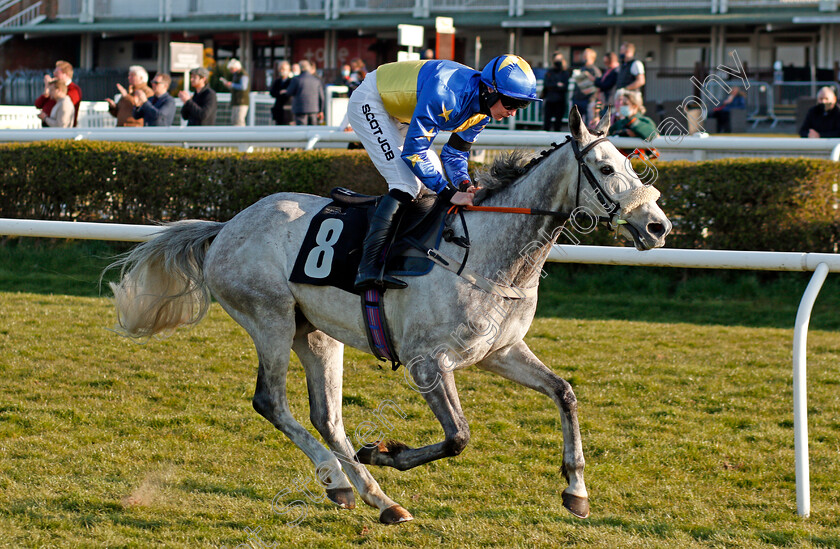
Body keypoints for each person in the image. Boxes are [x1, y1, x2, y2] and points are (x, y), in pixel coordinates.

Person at [347, 54, 541, 290]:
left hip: (402, 112)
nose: (513, 112)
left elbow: (454, 154)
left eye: (522, 106)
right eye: (511, 103)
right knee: (406, 183)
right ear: (490, 90)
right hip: (372, 101)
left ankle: (403, 251)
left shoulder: (482, 111)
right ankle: (367, 267)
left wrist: (463, 184)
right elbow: (414, 153)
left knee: (429, 184)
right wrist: (448, 193)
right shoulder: (446, 93)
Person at [35, 60, 82, 127]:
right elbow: (38, 104)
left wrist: (45, 118)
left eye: (57, 72)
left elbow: (64, 107)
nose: (54, 75)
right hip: (49, 126)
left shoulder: (74, 89)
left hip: (62, 129)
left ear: (66, 74)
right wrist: (47, 89)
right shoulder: (54, 88)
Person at [285, 59, 324, 126]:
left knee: (302, 132)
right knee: (313, 131)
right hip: (314, 110)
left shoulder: (296, 79)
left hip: (300, 110)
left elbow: (289, 92)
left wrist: (285, 91)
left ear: (300, 68)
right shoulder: (317, 80)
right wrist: (321, 110)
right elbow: (321, 97)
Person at [571, 48, 602, 125]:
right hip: (577, 99)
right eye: (583, 56)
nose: (584, 58)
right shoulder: (581, 69)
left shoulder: (595, 71)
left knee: (589, 124)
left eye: (586, 56)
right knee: (577, 123)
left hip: (588, 101)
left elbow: (598, 86)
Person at [542, 52, 570, 132]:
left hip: (560, 101)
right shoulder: (549, 72)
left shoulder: (565, 73)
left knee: (558, 123)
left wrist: (554, 85)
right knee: (547, 122)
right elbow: (547, 84)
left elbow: (564, 87)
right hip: (550, 100)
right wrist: (557, 85)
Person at [220, 58, 249, 126]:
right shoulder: (236, 75)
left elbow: (243, 87)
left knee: (239, 120)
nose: (230, 71)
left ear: (236, 68)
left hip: (242, 101)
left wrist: (231, 84)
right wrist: (229, 86)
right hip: (236, 101)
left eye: (231, 69)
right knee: (234, 120)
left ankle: (241, 135)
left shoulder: (243, 75)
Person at [269, 60, 294, 125]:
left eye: (283, 69)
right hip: (278, 110)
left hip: (288, 110)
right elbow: (272, 92)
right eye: (280, 69)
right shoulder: (277, 81)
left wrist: (284, 93)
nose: (282, 71)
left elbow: (289, 93)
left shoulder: (291, 81)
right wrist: (280, 93)